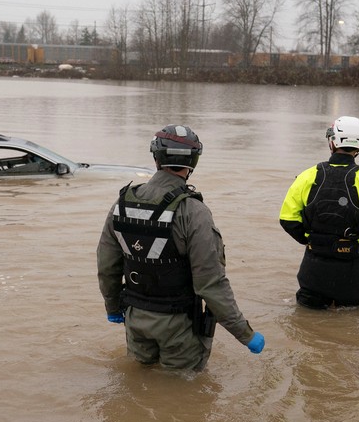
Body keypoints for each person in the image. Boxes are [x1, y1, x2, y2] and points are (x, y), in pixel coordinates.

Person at [96, 125, 265, 371]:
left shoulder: (121, 204)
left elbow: (106, 266)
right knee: (182, 393)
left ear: (156, 158)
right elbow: (211, 284)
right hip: (180, 326)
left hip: (135, 319)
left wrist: (112, 308)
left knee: (139, 382)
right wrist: (246, 334)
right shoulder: (194, 212)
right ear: (193, 161)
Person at [279, 116, 359, 309]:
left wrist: (309, 239)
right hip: (351, 270)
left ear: (332, 141)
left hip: (313, 268)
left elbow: (287, 219)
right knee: (355, 329)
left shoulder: (305, 177)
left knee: (309, 328)